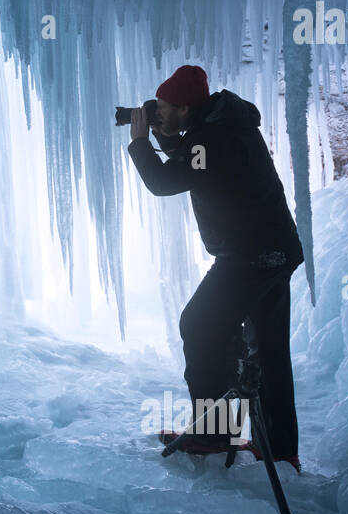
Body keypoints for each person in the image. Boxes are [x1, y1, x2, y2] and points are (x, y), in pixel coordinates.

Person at [125, 64, 304, 471]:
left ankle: (214, 436)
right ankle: (278, 447)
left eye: (165, 108)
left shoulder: (215, 136)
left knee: (201, 325)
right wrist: (167, 138)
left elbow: (165, 182)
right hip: (275, 250)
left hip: (251, 254)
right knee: (268, 348)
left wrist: (141, 143)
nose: (158, 114)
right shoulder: (222, 125)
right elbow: (198, 164)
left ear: (187, 107)